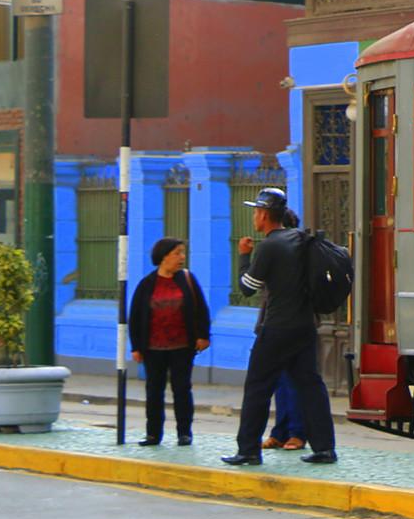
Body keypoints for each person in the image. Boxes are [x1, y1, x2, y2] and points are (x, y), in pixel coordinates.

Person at [222, 187, 338, 467]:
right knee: (311, 385)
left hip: (276, 328)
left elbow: (247, 288)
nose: (254, 217)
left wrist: (243, 257)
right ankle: (324, 448)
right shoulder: (301, 239)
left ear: (263, 215)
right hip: (305, 327)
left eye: (255, 212)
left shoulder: (270, 246)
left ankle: (248, 449)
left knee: (258, 387)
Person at [127, 237, 211, 447]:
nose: (181, 258)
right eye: (177, 253)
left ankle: (184, 432)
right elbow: (136, 316)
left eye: (183, 253)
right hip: (153, 348)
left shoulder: (187, 279)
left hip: (182, 346)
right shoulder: (147, 284)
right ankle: (153, 434)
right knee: (154, 390)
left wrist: (203, 335)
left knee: (182, 388)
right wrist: (136, 347)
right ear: (163, 257)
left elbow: (201, 308)